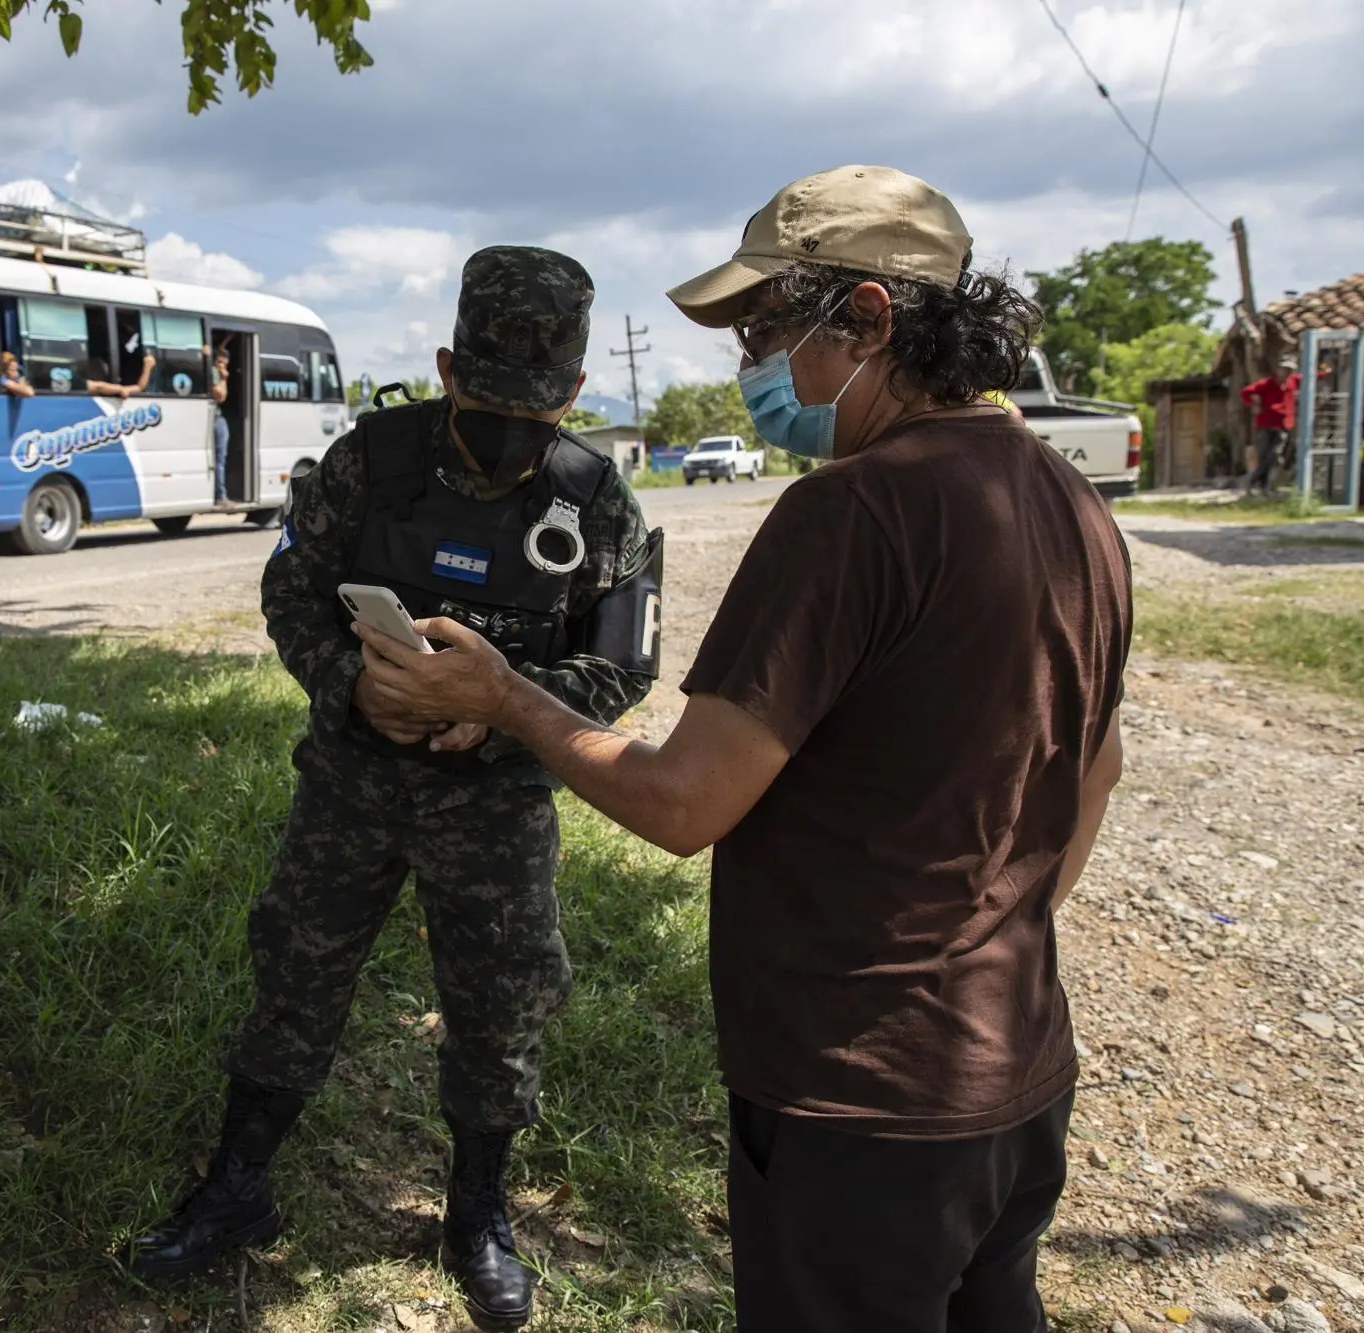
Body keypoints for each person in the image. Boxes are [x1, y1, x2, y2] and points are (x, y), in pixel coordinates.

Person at [354, 167, 1132, 1333]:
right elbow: (1095, 772)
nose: (746, 363)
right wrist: (976, 934)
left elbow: (681, 804)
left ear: (867, 317)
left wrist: (506, 695)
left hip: (857, 1103)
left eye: (764, 327)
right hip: (1015, 1074)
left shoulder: (848, 514)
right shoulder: (1069, 502)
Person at [125, 246, 662, 1329]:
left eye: (535, 410)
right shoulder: (369, 462)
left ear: (568, 394)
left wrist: (504, 705)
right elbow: (291, 593)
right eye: (484, 403)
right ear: (445, 367)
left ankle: (475, 1215)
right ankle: (237, 1188)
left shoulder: (597, 501)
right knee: (296, 969)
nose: (509, 432)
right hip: (352, 783)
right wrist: (348, 691)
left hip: (494, 802)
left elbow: (622, 666)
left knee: (500, 999)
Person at [1240, 358, 1301, 492]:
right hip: (1265, 424)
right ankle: (1261, 486)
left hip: (1283, 424)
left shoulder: (1293, 382)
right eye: (1284, 369)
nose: (1286, 373)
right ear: (1278, 370)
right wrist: (1253, 402)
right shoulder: (1266, 384)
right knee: (1263, 456)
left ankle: (1254, 482)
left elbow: (1312, 376)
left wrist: (1325, 371)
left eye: (1289, 370)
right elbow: (1246, 392)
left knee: (1274, 455)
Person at [210, 343, 231, 505]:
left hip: (217, 416)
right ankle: (220, 495)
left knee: (220, 458)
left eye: (224, 363)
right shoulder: (214, 373)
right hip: (215, 418)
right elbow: (221, 395)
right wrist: (224, 378)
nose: (221, 366)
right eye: (219, 362)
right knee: (219, 458)